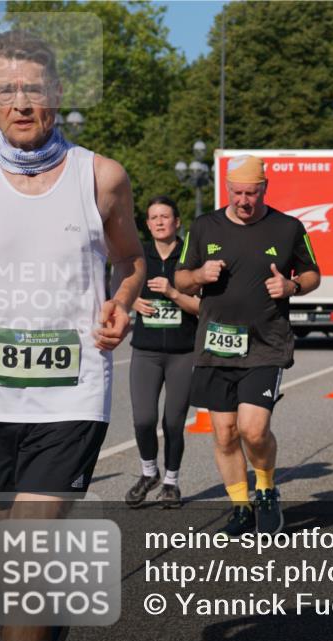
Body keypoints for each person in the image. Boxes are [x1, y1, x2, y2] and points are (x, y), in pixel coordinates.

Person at [0, 30, 145, 641]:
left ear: (57, 93)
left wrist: (121, 302)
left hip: (70, 395)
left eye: (33, 88)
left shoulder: (102, 177)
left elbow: (131, 259)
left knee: (26, 567)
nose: (21, 102)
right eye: (6, 90)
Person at [174, 155, 320, 536]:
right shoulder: (204, 226)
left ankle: (266, 490)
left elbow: (312, 274)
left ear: (264, 188)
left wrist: (292, 286)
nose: (244, 201)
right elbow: (181, 278)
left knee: (253, 430)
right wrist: (198, 274)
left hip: (266, 343)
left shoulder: (288, 228)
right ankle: (240, 505)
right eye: (237, 193)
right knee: (224, 433)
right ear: (227, 188)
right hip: (216, 345)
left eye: (251, 193)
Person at [125, 196, 200, 509]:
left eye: (165, 216)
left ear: (177, 222)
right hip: (146, 351)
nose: (159, 222)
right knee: (143, 419)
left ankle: (171, 481)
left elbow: (203, 306)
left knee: (173, 423)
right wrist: (131, 300)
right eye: (153, 217)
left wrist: (172, 292)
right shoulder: (138, 255)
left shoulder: (191, 255)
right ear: (147, 224)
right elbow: (118, 286)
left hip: (183, 352)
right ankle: (149, 473)